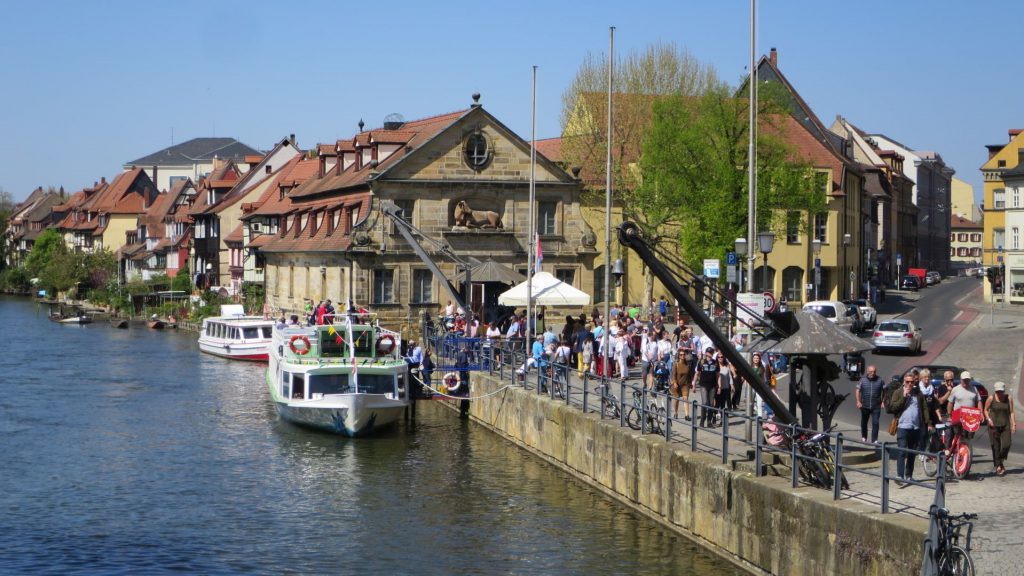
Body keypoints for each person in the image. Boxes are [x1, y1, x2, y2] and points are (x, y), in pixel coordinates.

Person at [888, 372, 935, 484]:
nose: (909, 384)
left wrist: (928, 423)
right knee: (902, 451)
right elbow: (892, 408)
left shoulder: (918, 393)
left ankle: (909, 475)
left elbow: (924, 408)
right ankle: (900, 476)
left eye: (912, 382)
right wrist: (904, 396)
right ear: (904, 382)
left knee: (912, 452)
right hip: (902, 426)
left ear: (915, 382)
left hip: (916, 427)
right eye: (907, 382)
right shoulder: (898, 392)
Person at [984, 381, 1016, 476]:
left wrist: (1013, 424)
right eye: (998, 391)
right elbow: (985, 410)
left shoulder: (1008, 398)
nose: (1000, 393)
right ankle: (998, 466)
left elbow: (1011, 412)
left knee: (1007, 444)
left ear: (1004, 391)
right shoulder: (991, 398)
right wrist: (988, 419)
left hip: (1005, 424)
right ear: (995, 391)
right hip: (993, 426)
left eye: (1001, 391)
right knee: (995, 446)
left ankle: (1000, 461)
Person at [856, 365, 886, 443]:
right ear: (867, 371)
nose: (872, 373)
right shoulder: (862, 380)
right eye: (871, 371)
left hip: (876, 405)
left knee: (875, 422)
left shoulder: (880, 380)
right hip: (865, 405)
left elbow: (885, 391)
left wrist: (883, 401)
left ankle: (874, 440)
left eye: (874, 372)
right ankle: (864, 437)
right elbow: (857, 390)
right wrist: (858, 401)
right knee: (864, 422)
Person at [695, 347, 719, 427]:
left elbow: (717, 375)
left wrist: (718, 385)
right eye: (708, 352)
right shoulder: (702, 362)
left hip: (712, 385)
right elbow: (697, 373)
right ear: (706, 353)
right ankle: (702, 420)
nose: (709, 354)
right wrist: (694, 384)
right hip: (703, 385)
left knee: (711, 404)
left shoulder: (715, 362)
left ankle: (709, 421)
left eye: (711, 352)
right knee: (704, 402)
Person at [670, 350, 691, 420]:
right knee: (676, 399)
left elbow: (689, 375)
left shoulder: (687, 364)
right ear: (679, 356)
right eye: (681, 355)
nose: (683, 356)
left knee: (685, 399)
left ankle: (687, 415)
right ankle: (676, 412)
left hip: (685, 384)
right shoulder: (676, 364)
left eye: (684, 354)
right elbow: (673, 375)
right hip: (677, 385)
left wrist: (690, 383)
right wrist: (675, 382)